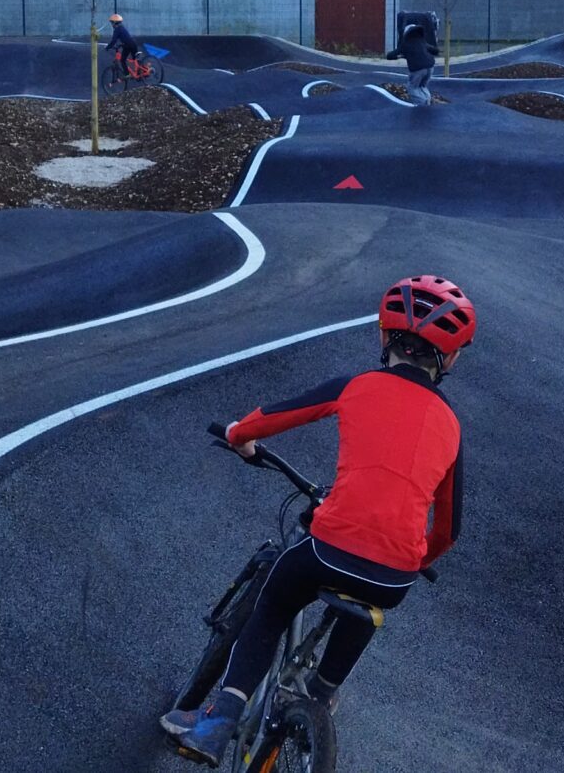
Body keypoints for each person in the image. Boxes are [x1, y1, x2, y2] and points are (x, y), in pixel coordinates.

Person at [160, 276, 473, 764]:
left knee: (275, 599)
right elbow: (448, 530)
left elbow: (278, 415)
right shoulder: (451, 425)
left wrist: (240, 436)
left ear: (383, 335)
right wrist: (413, 559)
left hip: (330, 548)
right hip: (395, 575)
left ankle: (218, 721)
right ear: (450, 359)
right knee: (370, 600)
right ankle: (323, 692)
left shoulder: (357, 386)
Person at [385, 20, 440, 105]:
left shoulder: (405, 44)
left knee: (412, 88)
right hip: (430, 66)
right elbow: (435, 51)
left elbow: (389, 56)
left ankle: (420, 106)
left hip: (418, 68)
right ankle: (427, 101)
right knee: (422, 86)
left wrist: (400, 56)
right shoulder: (422, 41)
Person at [106, 13, 144, 78]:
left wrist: (108, 47)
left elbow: (113, 41)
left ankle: (127, 74)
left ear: (114, 23)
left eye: (112, 22)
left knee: (122, 60)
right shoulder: (122, 28)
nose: (111, 24)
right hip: (133, 44)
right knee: (135, 60)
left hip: (127, 46)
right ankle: (141, 74)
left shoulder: (117, 30)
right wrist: (121, 44)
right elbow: (125, 37)